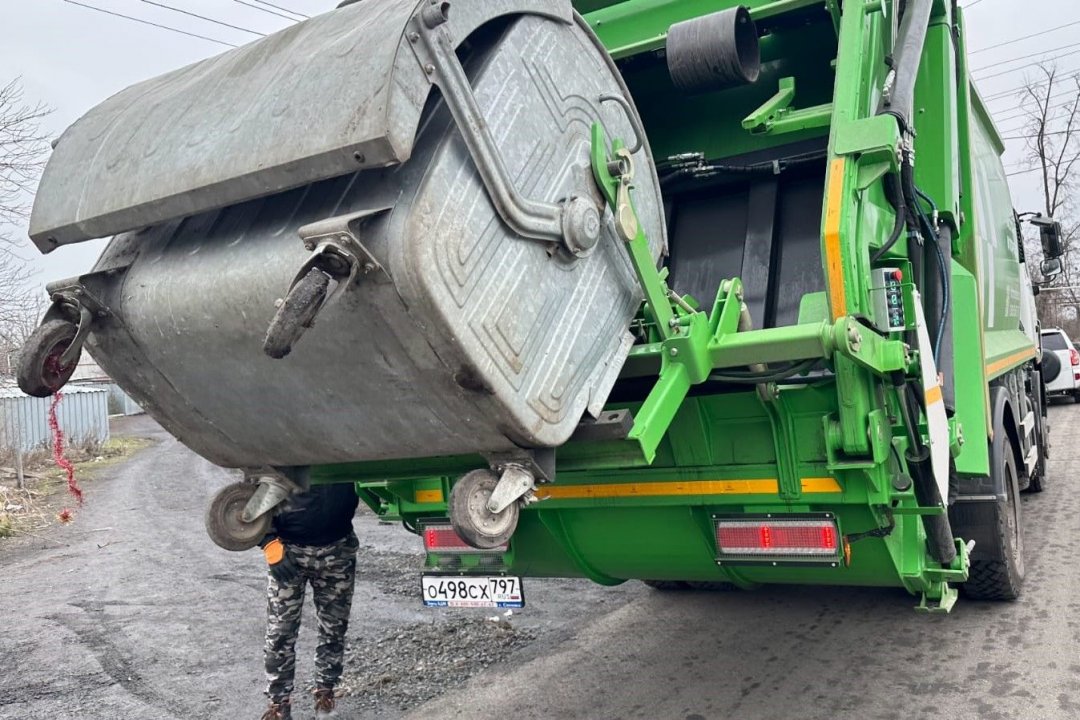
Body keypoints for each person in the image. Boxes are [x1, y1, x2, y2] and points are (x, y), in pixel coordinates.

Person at [259, 482, 360, 720]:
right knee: (280, 634)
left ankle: (325, 695)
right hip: (289, 552)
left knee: (334, 629)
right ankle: (279, 706)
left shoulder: (344, 446)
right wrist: (269, 543)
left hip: (338, 549)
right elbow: (254, 493)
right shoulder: (280, 445)